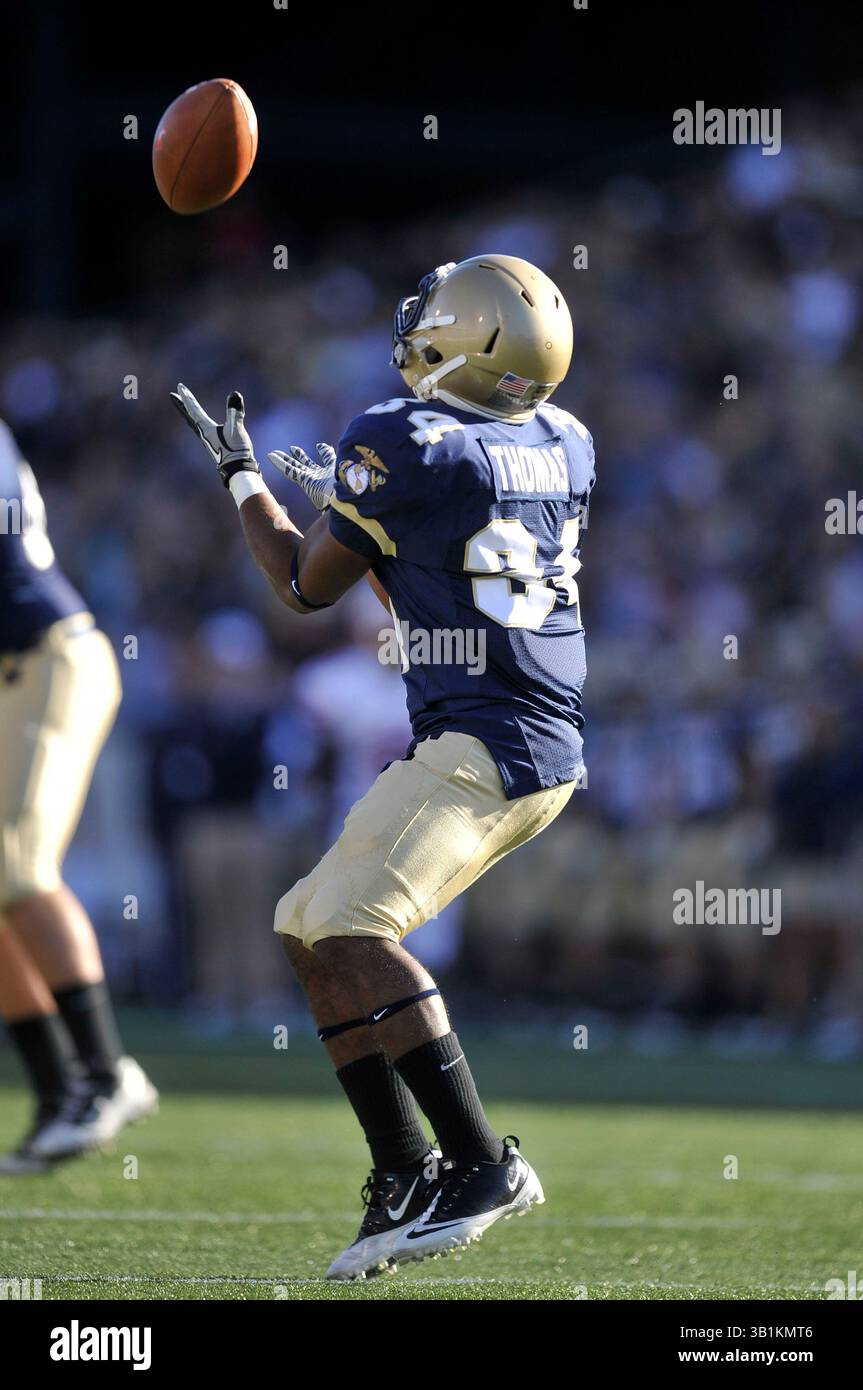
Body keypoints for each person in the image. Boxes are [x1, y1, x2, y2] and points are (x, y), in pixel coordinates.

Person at [171, 253, 594, 1279]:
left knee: (351, 926)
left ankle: (482, 1162)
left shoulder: (398, 437)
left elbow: (301, 589)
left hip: (483, 739)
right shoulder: (565, 438)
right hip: (528, 735)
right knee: (303, 925)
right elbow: (435, 560)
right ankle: (403, 1170)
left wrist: (242, 478)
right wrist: (373, 513)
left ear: (466, 338)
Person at [0, 420, 158, 1174]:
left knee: (16, 864)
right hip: (14, 670)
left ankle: (105, 1073)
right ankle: (59, 1093)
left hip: (45, 657)